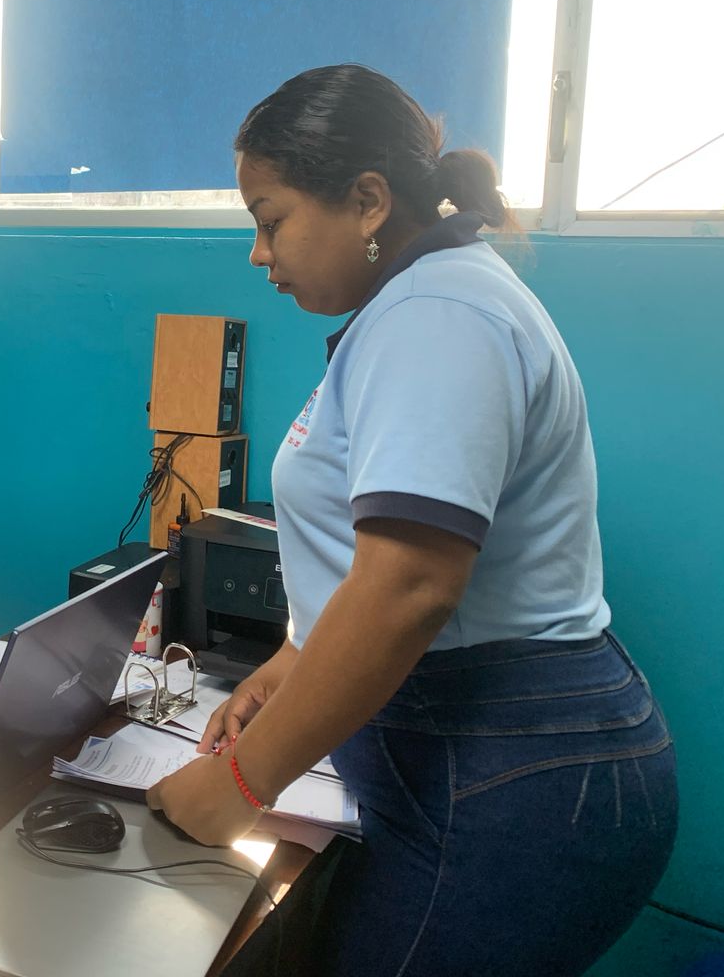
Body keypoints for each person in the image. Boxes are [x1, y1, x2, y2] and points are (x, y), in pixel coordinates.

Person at [146, 65, 677, 976]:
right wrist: (295, 660)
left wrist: (237, 784)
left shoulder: (437, 313)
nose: (259, 254)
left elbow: (412, 586)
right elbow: (378, 561)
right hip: (490, 753)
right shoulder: (421, 303)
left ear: (368, 200)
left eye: (271, 220)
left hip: (505, 768)